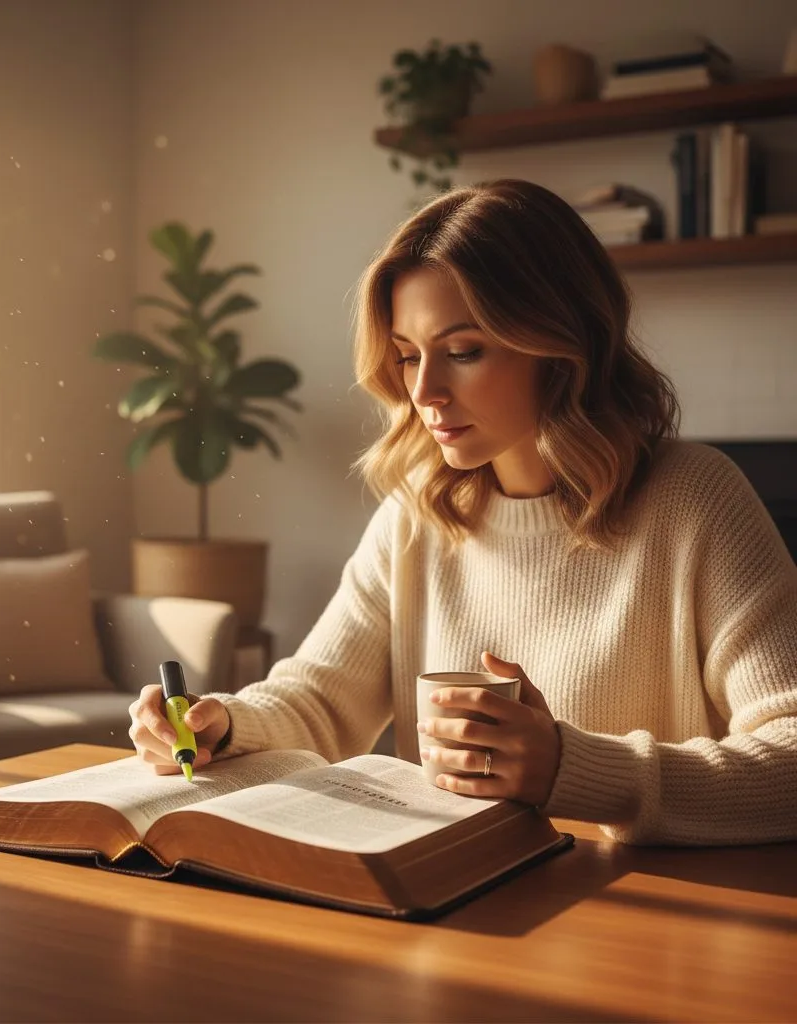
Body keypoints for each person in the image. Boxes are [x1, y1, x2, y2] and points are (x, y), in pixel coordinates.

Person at [128, 178, 797, 845]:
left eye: (463, 352)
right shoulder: (416, 513)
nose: (424, 392)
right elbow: (324, 697)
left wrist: (574, 767)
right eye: (408, 356)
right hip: (462, 906)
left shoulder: (696, 500)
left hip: (646, 919)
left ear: (562, 346)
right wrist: (224, 722)